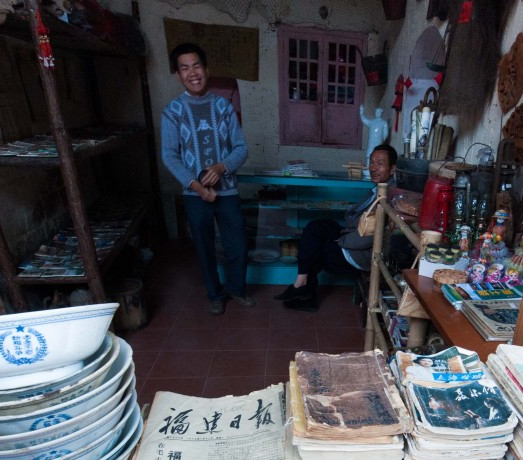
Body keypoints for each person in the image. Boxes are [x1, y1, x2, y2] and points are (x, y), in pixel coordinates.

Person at [161, 43, 254, 315]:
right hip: (194, 195)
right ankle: (215, 294)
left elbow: (241, 148)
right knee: (204, 247)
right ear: (178, 74)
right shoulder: (172, 111)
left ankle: (236, 289)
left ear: (207, 69)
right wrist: (198, 187)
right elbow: (169, 155)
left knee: (237, 243)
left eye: (197, 66)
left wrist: (223, 167)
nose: (192, 73)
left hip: (228, 192)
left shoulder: (224, 107)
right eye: (184, 67)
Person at [274, 145, 397, 312]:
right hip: (352, 233)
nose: (373, 168)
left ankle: (302, 289)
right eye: (372, 162)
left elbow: (369, 237)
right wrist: (343, 235)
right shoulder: (379, 188)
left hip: (360, 253)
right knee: (315, 227)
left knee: (316, 247)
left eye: (380, 163)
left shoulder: (389, 196)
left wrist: (343, 241)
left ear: (392, 168)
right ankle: (301, 284)